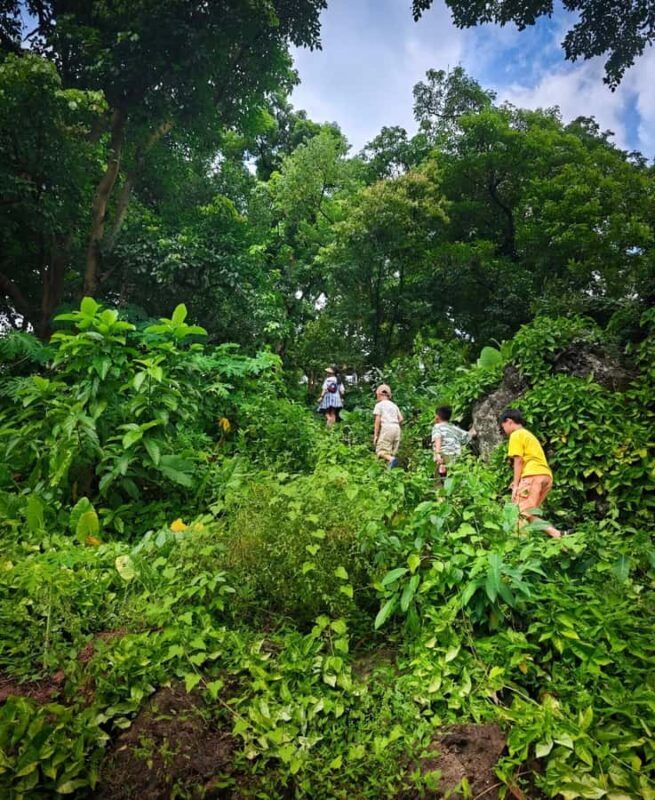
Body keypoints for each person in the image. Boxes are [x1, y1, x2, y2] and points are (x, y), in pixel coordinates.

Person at [499, 408, 562, 538]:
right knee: (528, 513)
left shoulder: (516, 435)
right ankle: (558, 535)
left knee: (517, 512)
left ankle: (518, 545)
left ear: (509, 421)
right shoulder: (528, 435)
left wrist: (516, 485)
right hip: (545, 477)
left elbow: (518, 460)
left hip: (532, 476)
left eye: (503, 426)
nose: (504, 430)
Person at [431, 406, 477, 481]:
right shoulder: (453, 428)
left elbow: (438, 438)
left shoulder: (437, 427)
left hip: (444, 456)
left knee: (440, 482)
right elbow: (470, 434)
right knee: (453, 480)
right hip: (456, 457)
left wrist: (438, 454)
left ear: (437, 416)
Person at [373, 384, 404, 468]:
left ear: (379, 394)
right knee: (391, 452)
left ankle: (391, 460)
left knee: (381, 451)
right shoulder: (394, 405)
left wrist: (376, 435)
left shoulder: (379, 405)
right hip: (396, 428)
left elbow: (377, 421)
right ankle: (388, 470)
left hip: (387, 427)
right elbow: (401, 419)